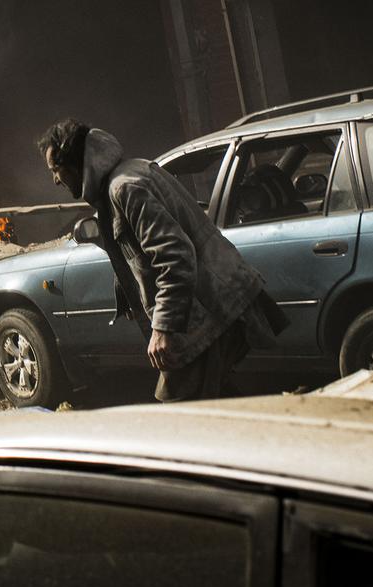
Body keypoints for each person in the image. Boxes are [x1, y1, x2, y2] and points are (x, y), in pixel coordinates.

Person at [38, 119, 288, 402]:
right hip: (212, 302)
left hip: (211, 307)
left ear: (75, 161)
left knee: (179, 405)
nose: (55, 180)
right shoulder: (126, 176)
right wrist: (128, 291)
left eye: (55, 170)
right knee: (215, 404)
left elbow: (175, 256)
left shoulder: (125, 188)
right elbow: (140, 251)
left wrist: (163, 327)